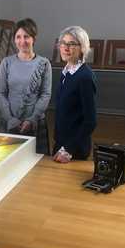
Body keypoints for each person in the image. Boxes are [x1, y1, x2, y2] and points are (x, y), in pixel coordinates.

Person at [0, 18, 52, 154]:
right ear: (14, 39)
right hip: (10, 121)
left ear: (33, 38)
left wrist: (32, 119)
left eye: (26, 36)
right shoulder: (6, 62)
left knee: (36, 164)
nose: (22, 41)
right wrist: (10, 118)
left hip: (35, 122)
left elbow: (45, 94)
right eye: (18, 37)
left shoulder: (44, 63)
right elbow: (0, 92)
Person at [53, 26, 97, 163]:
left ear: (82, 48)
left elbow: (90, 122)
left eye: (71, 44)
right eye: (63, 43)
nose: (65, 48)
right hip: (61, 143)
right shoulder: (66, 71)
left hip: (74, 149)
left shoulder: (85, 77)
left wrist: (68, 149)